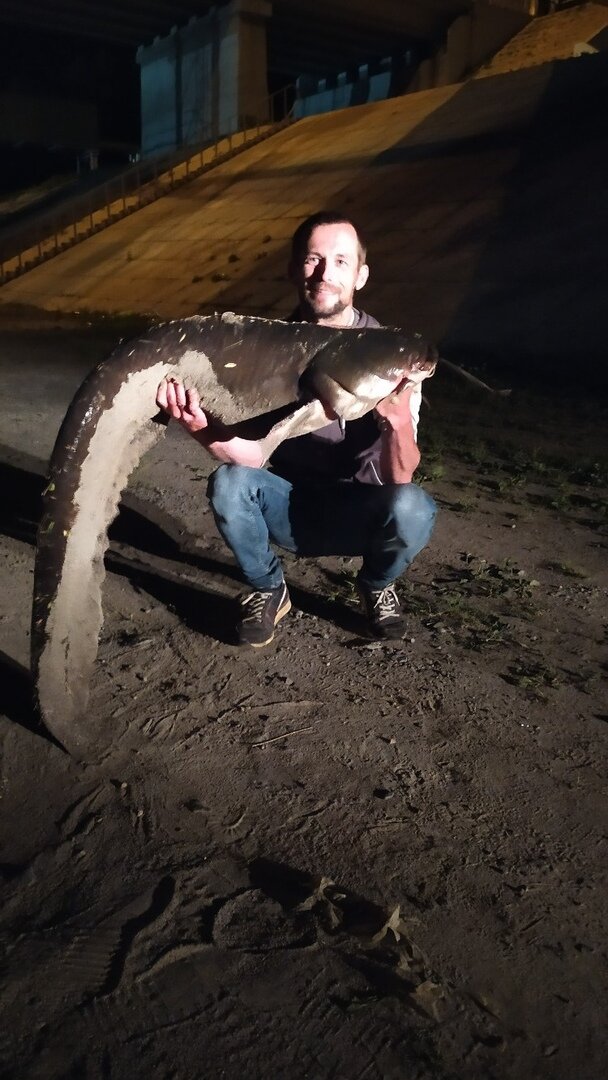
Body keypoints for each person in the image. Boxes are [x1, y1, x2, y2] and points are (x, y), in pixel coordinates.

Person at [156, 211, 437, 646]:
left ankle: (377, 585)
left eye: (341, 261)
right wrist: (200, 426)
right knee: (230, 483)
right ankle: (269, 588)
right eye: (313, 259)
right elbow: (250, 457)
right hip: (289, 505)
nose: (325, 274)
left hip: (360, 510)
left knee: (412, 507)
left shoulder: (392, 354)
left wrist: (397, 423)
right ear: (294, 270)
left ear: (361, 275)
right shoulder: (267, 347)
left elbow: (400, 475)